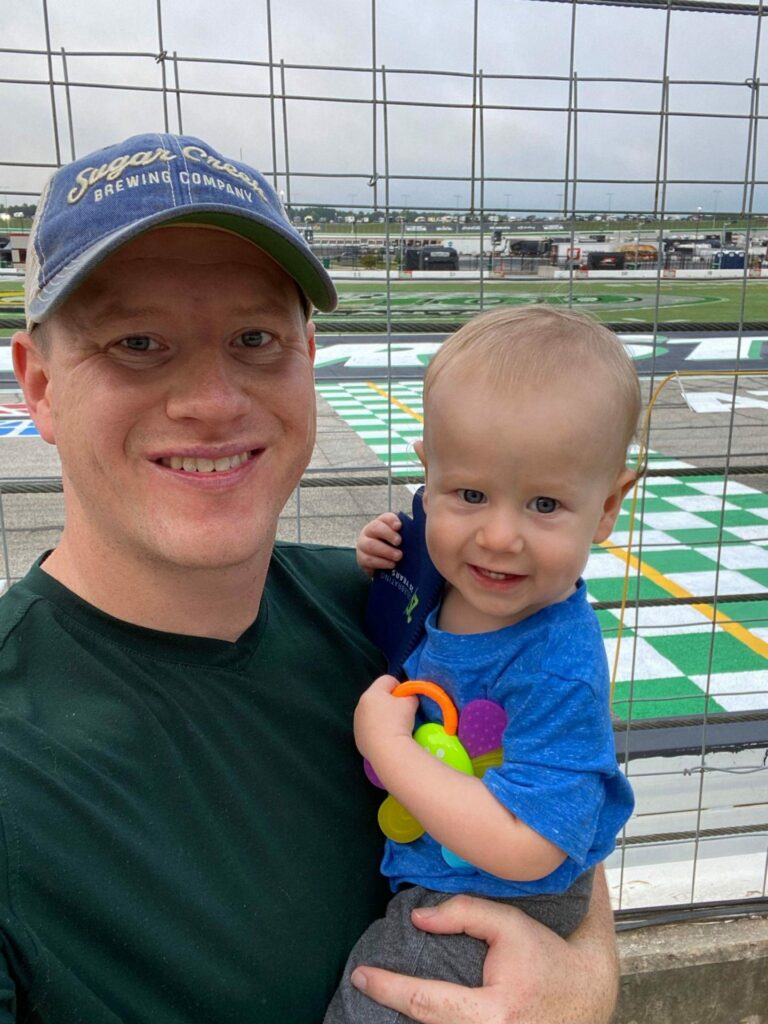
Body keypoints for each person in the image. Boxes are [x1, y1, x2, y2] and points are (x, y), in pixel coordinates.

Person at [1, 131, 620, 1023]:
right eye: (138, 342)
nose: (212, 400)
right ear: (41, 387)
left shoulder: (393, 605)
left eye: (255, 337)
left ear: (308, 357)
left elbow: (564, 807)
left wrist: (580, 985)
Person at [326, 305, 639, 1023]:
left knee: (372, 1002)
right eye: (469, 494)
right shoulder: (452, 571)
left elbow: (528, 846)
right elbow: (410, 596)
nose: (499, 537)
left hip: (501, 898)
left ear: (607, 508)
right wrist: (389, 551)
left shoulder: (557, 663)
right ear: (427, 480)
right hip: (446, 876)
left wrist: (386, 747)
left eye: (545, 504)